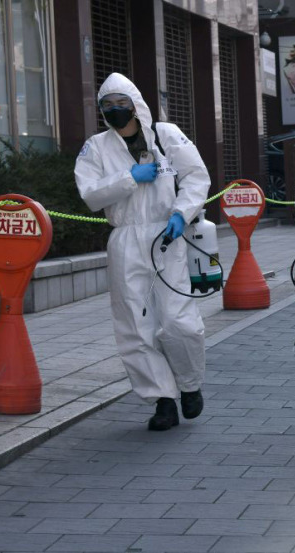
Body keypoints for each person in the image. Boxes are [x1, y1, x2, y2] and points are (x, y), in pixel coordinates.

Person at [75, 73, 209, 431]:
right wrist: (130, 177)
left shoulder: (166, 136)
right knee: (135, 325)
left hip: (167, 236)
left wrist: (183, 212)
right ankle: (163, 400)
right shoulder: (96, 147)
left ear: (136, 105)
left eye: (122, 103)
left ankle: (190, 384)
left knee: (179, 320)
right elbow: (89, 194)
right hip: (125, 239)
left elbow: (197, 176)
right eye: (108, 106)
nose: (116, 111)